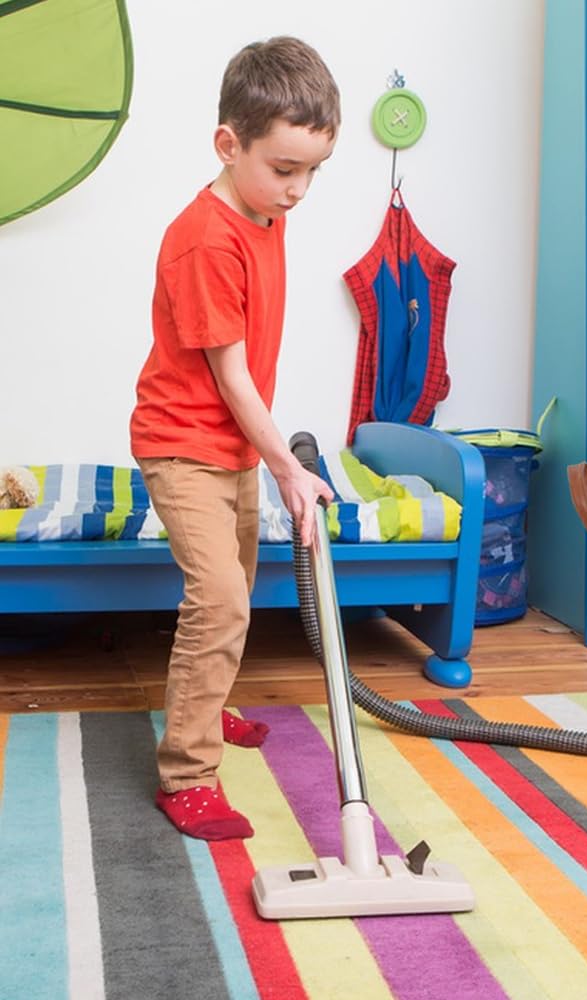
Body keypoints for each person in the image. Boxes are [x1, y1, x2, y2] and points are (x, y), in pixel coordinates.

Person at [129, 37, 340, 840]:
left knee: (239, 589)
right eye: (284, 169)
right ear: (228, 143)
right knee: (216, 598)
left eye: (313, 171)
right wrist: (288, 466)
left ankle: (207, 705)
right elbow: (231, 375)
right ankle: (188, 773)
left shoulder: (262, 212)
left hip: (231, 445)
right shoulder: (206, 238)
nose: (299, 190)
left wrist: (265, 458)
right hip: (181, 443)